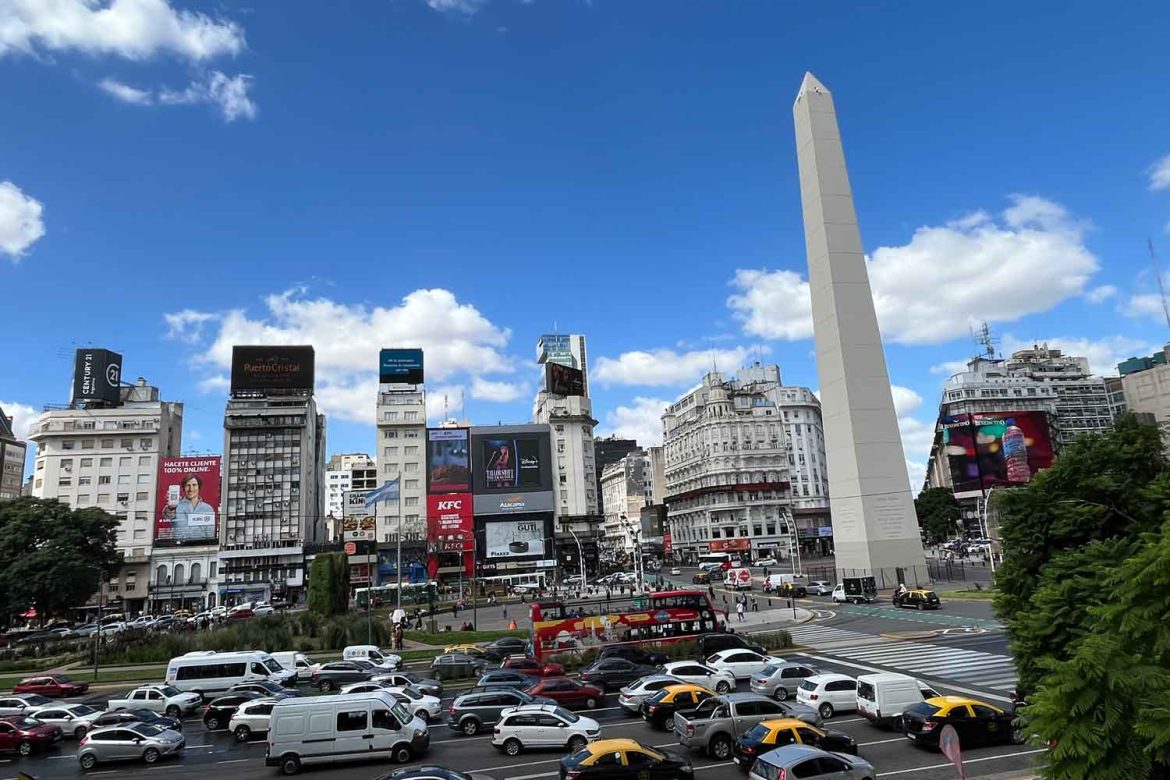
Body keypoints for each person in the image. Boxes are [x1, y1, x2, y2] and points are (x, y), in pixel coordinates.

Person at [162, 473, 216, 543]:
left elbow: (210, 535)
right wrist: (171, 508)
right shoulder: (175, 506)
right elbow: (167, 516)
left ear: (199, 487)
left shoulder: (208, 509)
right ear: (184, 488)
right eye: (188, 485)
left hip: (202, 548)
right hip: (179, 548)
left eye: (194, 485)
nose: (191, 489)